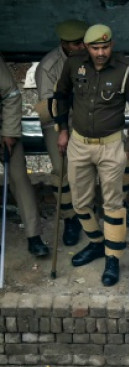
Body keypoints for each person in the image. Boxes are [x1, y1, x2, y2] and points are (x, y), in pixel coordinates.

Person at [52, 24, 129, 286]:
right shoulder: (74, 64)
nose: (101, 52)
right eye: (95, 47)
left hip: (111, 145)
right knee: (81, 203)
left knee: (113, 205)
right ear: (87, 46)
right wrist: (62, 130)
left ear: (112, 45)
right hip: (79, 143)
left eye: (105, 47)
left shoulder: (126, 70)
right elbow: (60, 95)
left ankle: (112, 258)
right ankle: (95, 243)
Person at [35, 19, 87, 246]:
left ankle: (116, 208)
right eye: (76, 44)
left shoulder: (92, 56)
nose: (81, 47)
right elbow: (47, 107)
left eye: (82, 42)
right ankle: (70, 219)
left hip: (88, 120)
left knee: (117, 154)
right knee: (61, 171)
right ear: (64, 43)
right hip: (57, 122)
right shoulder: (48, 66)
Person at [0, 57, 49, 257]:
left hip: (4, 129)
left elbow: (11, 94)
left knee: (19, 178)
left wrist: (9, 132)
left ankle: (33, 236)